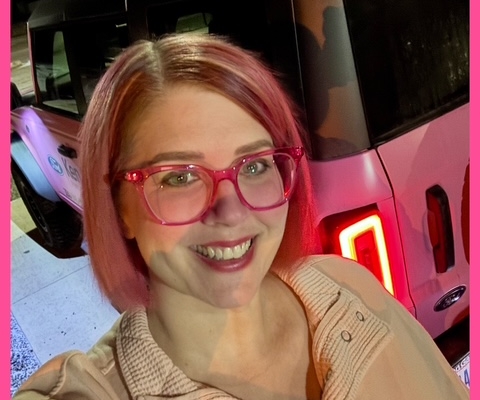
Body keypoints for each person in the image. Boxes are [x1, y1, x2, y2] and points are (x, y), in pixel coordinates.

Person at [13, 34, 468, 400]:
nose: (231, 211)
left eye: (254, 166)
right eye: (179, 177)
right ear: (118, 208)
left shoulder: (346, 285)